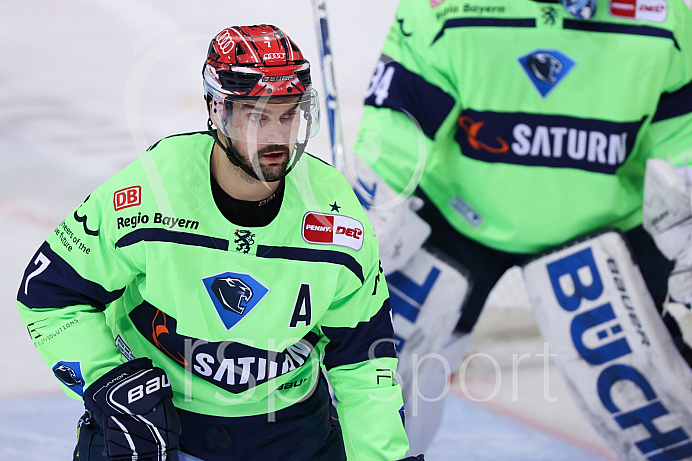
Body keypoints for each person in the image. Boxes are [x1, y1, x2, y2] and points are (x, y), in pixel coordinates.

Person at [17, 24, 424, 461]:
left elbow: (363, 360)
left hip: (286, 429)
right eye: (256, 115)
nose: (276, 137)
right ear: (216, 110)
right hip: (156, 419)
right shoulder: (153, 190)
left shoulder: (337, 219)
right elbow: (50, 294)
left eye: (287, 114)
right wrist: (109, 386)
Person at [349, 0, 692, 457]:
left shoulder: (663, 18)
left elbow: (682, 150)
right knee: (380, 371)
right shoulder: (445, 9)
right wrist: (356, 231)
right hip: (457, 216)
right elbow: (394, 139)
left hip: (607, 226)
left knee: (654, 397)